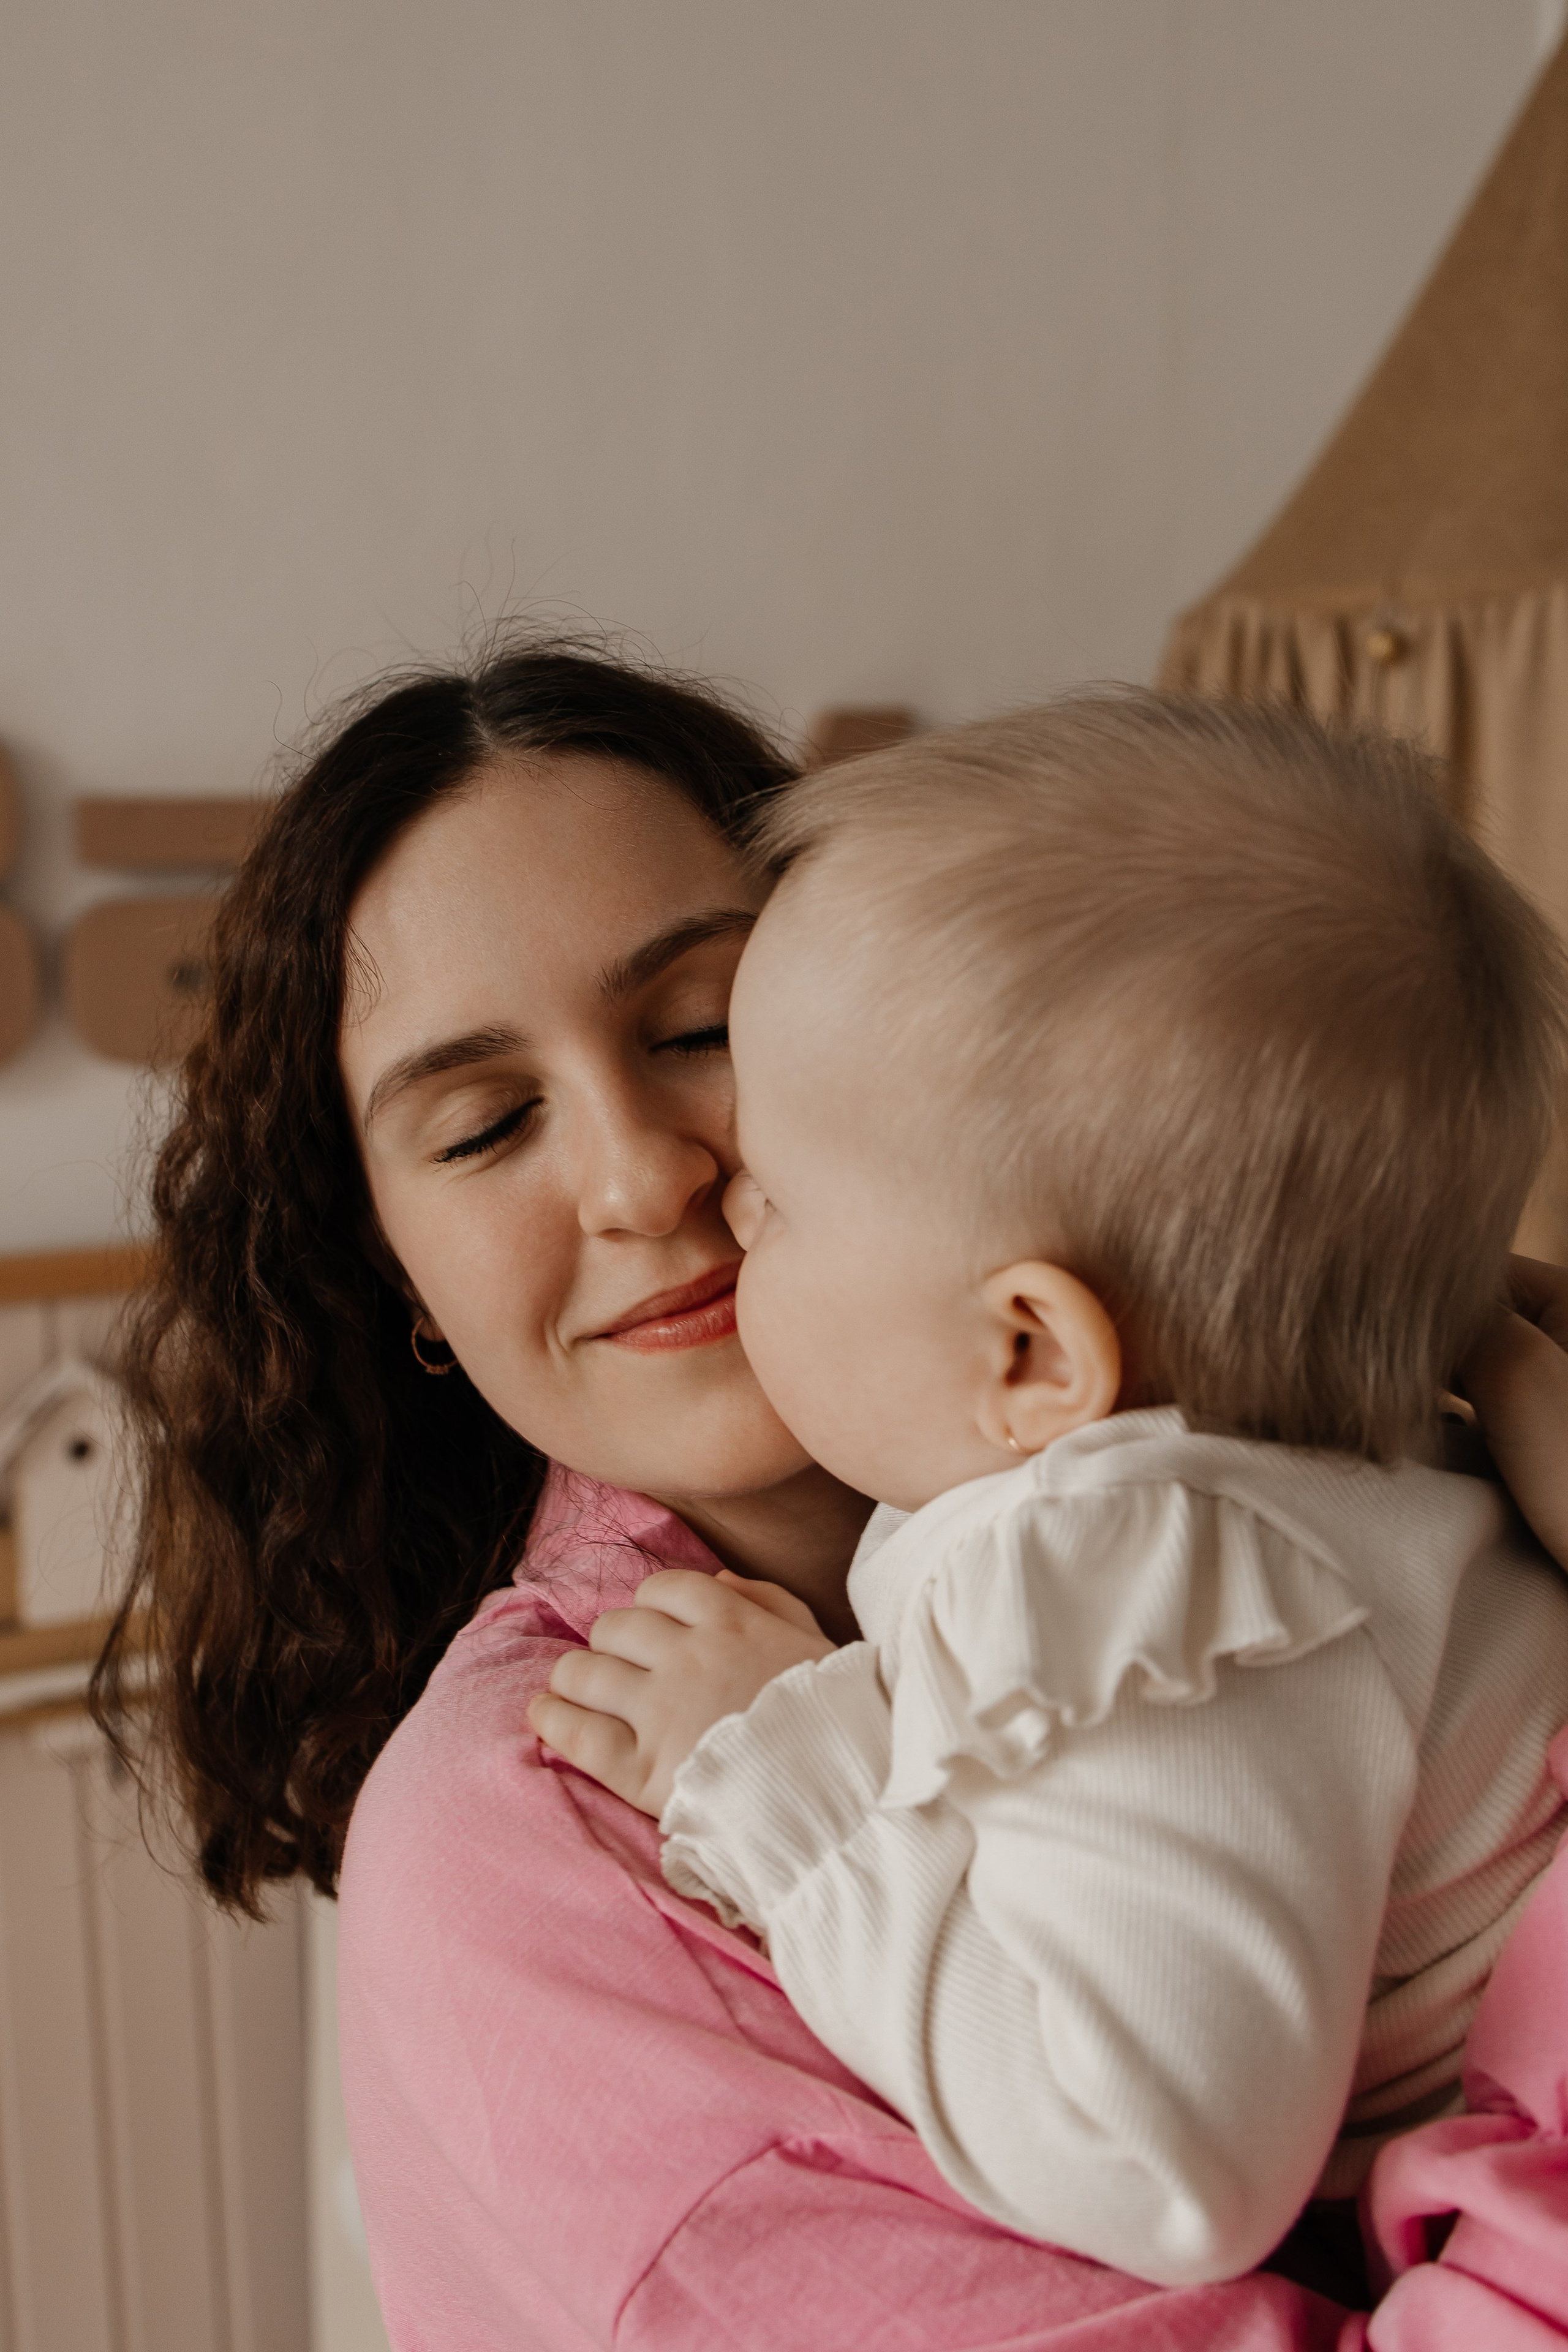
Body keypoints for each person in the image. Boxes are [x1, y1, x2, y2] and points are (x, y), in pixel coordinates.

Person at [91, 641, 1568, 2348]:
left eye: (707, 1026)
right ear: (398, 1273)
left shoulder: (1235, 1508)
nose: (651, 1176)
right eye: (489, 1124)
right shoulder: (551, 1815)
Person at [531, 692, 1568, 2288]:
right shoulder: (1296, 1502)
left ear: (1028, 1354)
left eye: (776, 1197)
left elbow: (1160, 2168)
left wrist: (800, 1781)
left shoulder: (1137, 1568)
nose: (716, 1212)